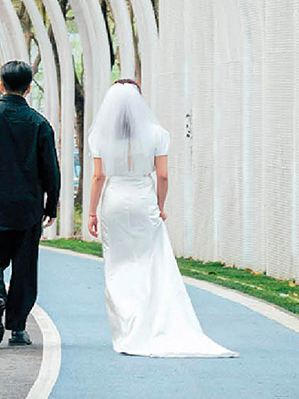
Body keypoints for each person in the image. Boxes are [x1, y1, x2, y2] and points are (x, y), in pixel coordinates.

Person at [87, 79, 235, 357]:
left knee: (118, 265)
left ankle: (129, 328)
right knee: (153, 263)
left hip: (114, 201)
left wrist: (93, 212)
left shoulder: (100, 136)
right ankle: (157, 322)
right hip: (143, 198)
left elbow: (98, 176)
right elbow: (163, 175)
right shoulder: (157, 133)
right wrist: (160, 204)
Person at [0, 60, 59, 347]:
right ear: (29, 88)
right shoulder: (39, 123)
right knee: (24, 270)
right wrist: (51, 205)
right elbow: (50, 168)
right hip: (28, 210)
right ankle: (17, 329)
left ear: (0, 84)